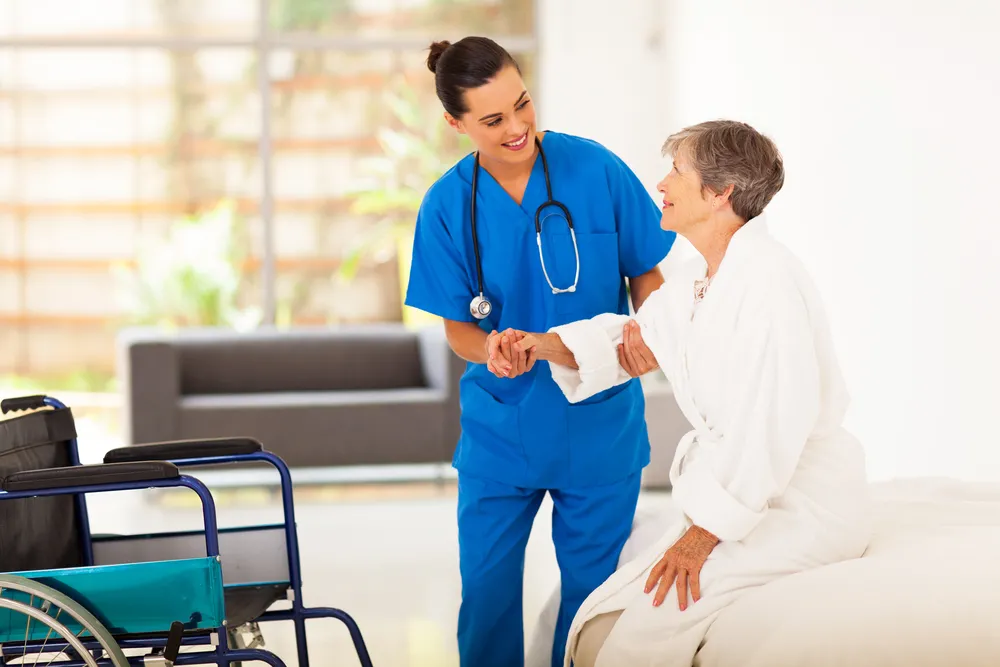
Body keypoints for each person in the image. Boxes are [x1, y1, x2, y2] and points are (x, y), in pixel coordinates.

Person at [512, 120, 872, 666]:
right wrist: (539, 345)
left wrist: (701, 537)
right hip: (743, 493)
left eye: (677, 171)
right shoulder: (700, 278)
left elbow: (769, 430)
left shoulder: (768, 284)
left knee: (652, 619)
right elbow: (630, 338)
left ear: (720, 193)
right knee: (603, 604)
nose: (661, 184)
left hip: (799, 501)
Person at [404, 36, 677, 667]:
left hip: (600, 425)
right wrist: (490, 348)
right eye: (493, 120)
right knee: (489, 598)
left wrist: (650, 334)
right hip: (503, 428)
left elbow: (649, 277)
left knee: (592, 605)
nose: (518, 127)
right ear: (455, 122)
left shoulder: (596, 169)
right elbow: (459, 330)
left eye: (522, 105)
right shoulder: (448, 206)